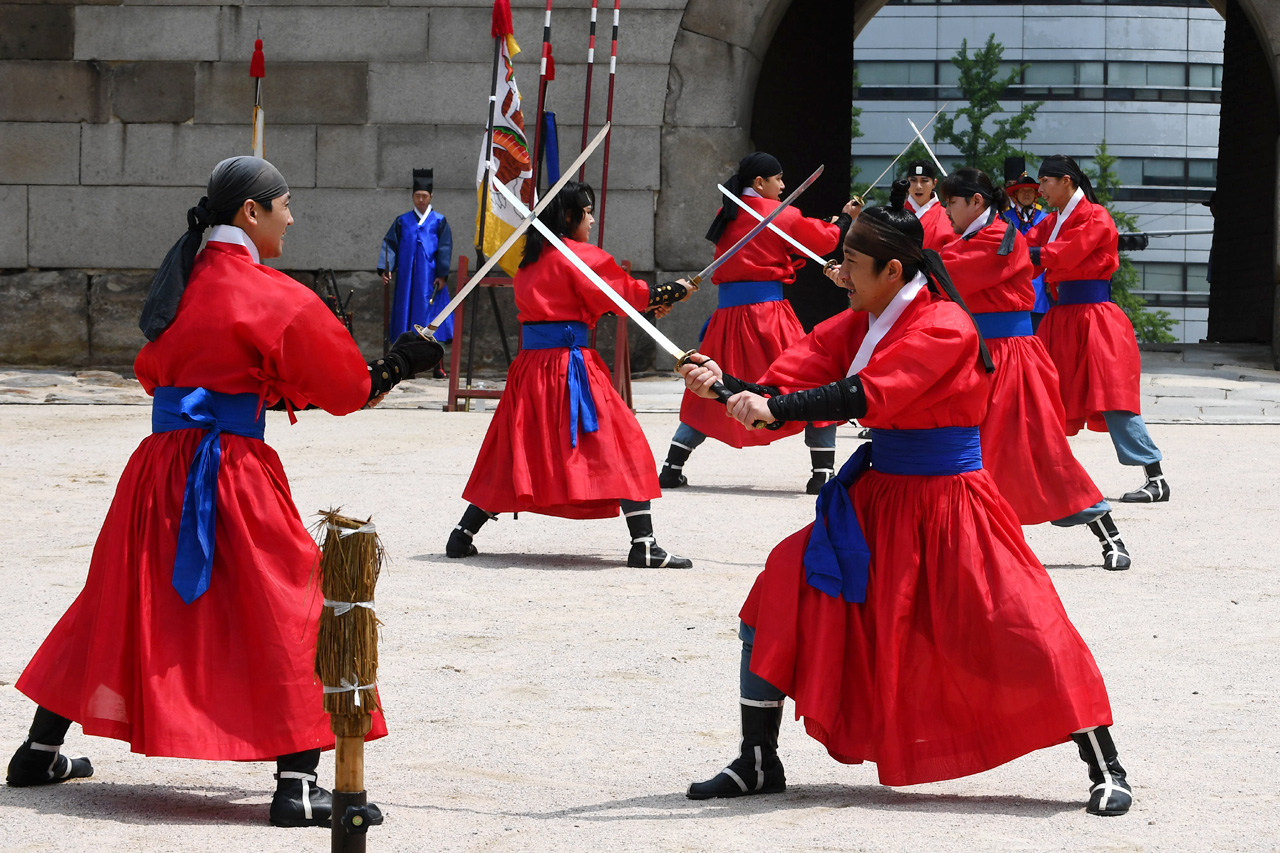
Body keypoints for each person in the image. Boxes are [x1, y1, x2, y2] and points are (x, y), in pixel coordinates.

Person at [6, 157, 442, 828]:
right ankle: (297, 785)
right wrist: (396, 363)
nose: (292, 218)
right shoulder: (274, 295)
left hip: (156, 465)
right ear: (251, 212)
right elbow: (347, 390)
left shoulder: (179, 283)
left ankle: (38, 750)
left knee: (116, 600)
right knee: (291, 604)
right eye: (285, 205)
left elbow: (188, 373)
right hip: (229, 471)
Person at [680, 194, 1132, 817]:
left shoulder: (945, 324)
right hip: (877, 498)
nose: (838, 273)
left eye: (850, 263)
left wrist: (775, 407)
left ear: (893, 271)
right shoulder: (854, 323)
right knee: (777, 590)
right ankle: (759, 759)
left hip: (952, 503)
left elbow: (868, 393)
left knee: (1017, 624)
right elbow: (790, 384)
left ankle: (1104, 762)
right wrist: (728, 387)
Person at [446, 181, 696, 568]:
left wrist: (645, 303)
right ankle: (644, 543)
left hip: (531, 367)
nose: (592, 219)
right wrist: (668, 292)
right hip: (569, 366)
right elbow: (623, 294)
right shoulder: (581, 257)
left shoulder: (528, 261)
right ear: (567, 217)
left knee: (514, 446)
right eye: (587, 211)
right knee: (621, 439)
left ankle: (462, 535)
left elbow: (597, 301)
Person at [938, 168, 1130, 570]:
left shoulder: (997, 238)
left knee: (1041, 450)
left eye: (952, 202)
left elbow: (942, 272)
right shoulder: (990, 235)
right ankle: (969, 545)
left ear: (976, 202)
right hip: (980, 354)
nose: (946, 210)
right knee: (967, 452)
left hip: (1011, 357)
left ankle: (1109, 534)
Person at [657, 152, 858, 495]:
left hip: (728, 318)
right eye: (777, 179)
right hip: (768, 315)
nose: (783, 186)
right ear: (759, 183)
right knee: (810, 378)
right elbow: (824, 240)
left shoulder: (727, 214)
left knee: (710, 386)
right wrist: (844, 217)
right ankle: (822, 472)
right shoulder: (782, 213)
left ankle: (672, 468)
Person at [1026, 155, 1169, 503]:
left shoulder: (1096, 216)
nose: (1040, 188)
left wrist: (1019, 254)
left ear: (1066, 182)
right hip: (1061, 318)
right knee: (1043, 394)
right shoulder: (1052, 220)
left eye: (1045, 181)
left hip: (1095, 318)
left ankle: (1155, 476)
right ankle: (1038, 473)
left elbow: (1063, 255)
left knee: (1113, 396)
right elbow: (1028, 246)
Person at [378, 168, 452, 378]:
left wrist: (442, 274)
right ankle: (405, 365)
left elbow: (445, 248)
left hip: (430, 280)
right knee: (406, 318)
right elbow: (390, 244)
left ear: (431, 197)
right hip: (407, 280)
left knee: (432, 319)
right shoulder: (402, 221)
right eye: (417, 196)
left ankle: (437, 365)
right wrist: (386, 268)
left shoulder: (439, 221)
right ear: (412, 197)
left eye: (424, 196)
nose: (421, 200)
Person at [1001, 155, 1052, 328]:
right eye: (1022, 191)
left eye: (1030, 191)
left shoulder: (1046, 219)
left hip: (1039, 286)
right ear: (1015, 194)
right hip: (1010, 285)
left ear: (1036, 194)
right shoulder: (1003, 218)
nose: (1026, 194)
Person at [903, 159, 958, 253]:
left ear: (934, 183)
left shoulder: (950, 218)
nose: (918, 186)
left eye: (924, 181)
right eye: (913, 180)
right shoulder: (894, 215)